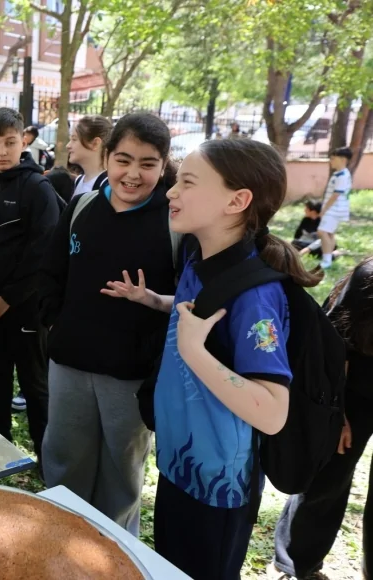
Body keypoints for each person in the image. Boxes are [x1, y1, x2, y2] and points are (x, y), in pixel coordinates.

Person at [105, 138, 319, 578]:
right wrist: (155, 301)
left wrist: (191, 351)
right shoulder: (199, 255)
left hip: (217, 488)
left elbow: (273, 410)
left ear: (237, 201)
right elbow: (199, 317)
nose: (170, 192)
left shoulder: (256, 297)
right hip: (180, 461)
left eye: (187, 182)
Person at [39, 113, 178, 536]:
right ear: (107, 156)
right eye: (124, 160)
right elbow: (52, 273)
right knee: (64, 462)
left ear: (164, 164)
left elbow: (194, 298)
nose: (133, 174)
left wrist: (152, 302)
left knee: (121, 476)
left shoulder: (175, 221)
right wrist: (55, 328)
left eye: (148, 163)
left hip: (130, 378)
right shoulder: (82, 208)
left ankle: (115, 553)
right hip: (70, 365)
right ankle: (60, 546)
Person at [0, 107, 61, 464]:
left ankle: (47, 459)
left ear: (25, 141)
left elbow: (44, 255)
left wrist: (9, 298)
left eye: (9, 142)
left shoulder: (38, 189)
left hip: (26, 309)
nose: (1, 151)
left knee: (35, 386)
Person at [269, 257, 372, 580]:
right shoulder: (367, 280)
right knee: (328, 479)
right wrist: (336, 415)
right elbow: (332, 345)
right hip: (354, 392)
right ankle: (296, 565)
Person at [318, 147, 353, 269]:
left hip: (334, 209)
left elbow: (336, 194)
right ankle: (329, 257)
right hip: (335, 208)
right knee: (330, 233)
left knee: (322, 232)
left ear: (343, 160)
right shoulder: (339, 173)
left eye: (333, 158)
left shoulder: (342, 175)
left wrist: (324, 210)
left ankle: (326, 260)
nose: (330, 161)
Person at [67, 115, 111, 196]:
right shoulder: (79, 181)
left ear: (95, 144)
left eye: (74, 139)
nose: (68, 146)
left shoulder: (107, 187)